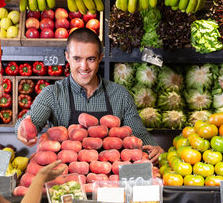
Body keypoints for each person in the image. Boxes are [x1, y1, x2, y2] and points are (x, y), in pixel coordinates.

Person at [15, 27, 164, 163]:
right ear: (67, 57)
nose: (84, 67)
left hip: (109, 179)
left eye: (91, 59)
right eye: (77, 58)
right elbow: (28, 123)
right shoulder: (53, 94)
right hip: (66, 181)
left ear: (100, 57)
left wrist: (155, 149)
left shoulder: (120, 95)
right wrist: (23, 130)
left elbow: (139, 135)